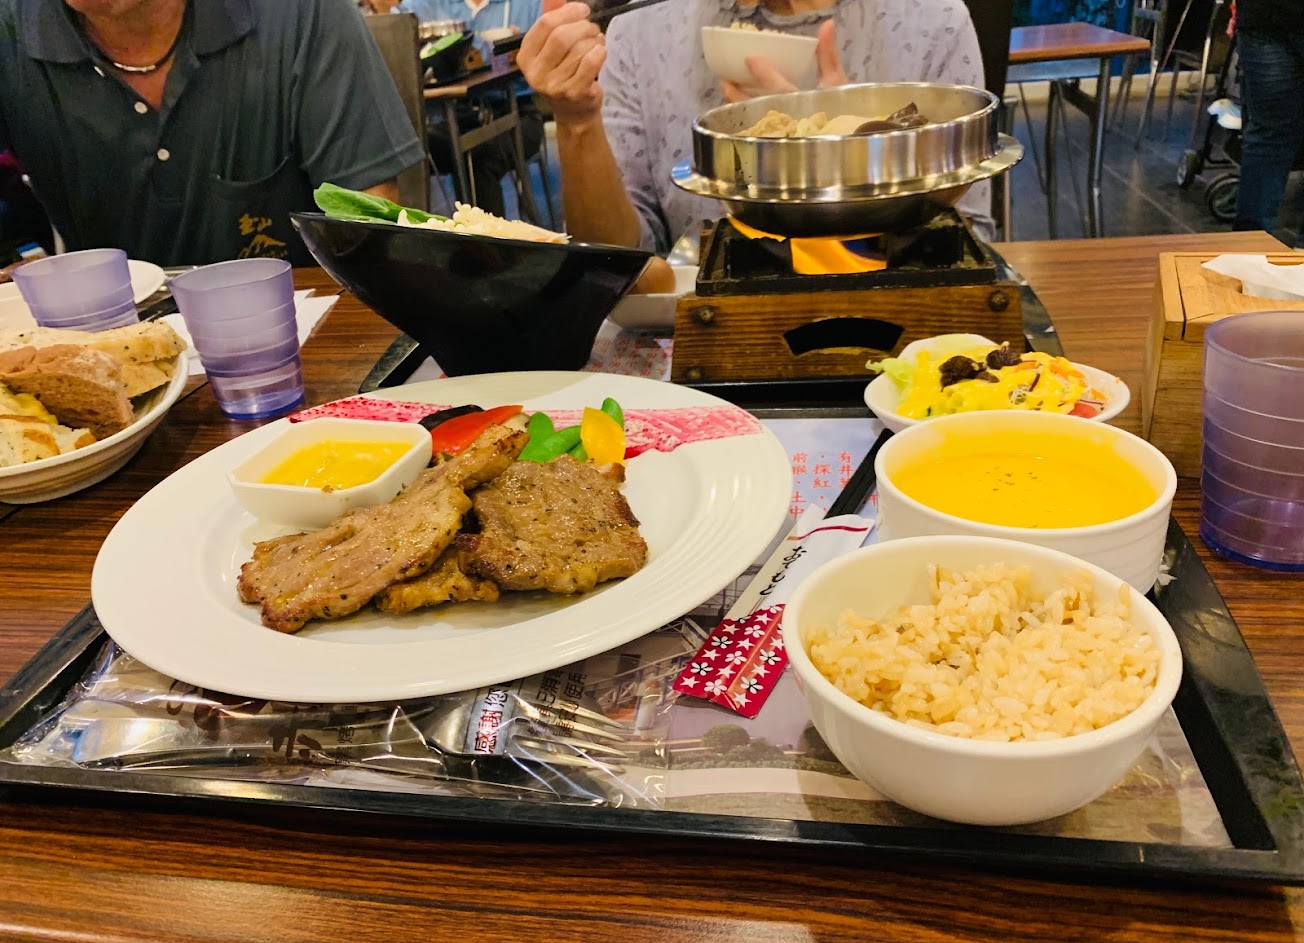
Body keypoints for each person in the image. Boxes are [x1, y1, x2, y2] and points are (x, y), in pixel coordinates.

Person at [519, 0, 993, 256]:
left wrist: (841, 148)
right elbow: (617, 261)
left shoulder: (932, 22)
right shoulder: (641, 30)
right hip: (696, 334)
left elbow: (973, 240)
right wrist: (577, 120)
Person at [0, 0, 427, 267]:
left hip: (301, 344)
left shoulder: (303, 12)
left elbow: (368, 233)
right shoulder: (11, 30)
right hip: (106, 354)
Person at [366, 0, 545, 218]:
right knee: (403, 152)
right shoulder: (432, 3)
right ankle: (409, 232)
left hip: (516, 110)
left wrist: (516, 48)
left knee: (478, 156)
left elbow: (542, 61)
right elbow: (393, 24)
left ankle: (485, 238)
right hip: (456, 115)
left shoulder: (525, 4)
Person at [1230, 0, 1304, 245]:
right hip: (1262, 19)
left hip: (1262, 17)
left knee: (1269, 137)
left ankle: (1249, 250)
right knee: (1269, 136)